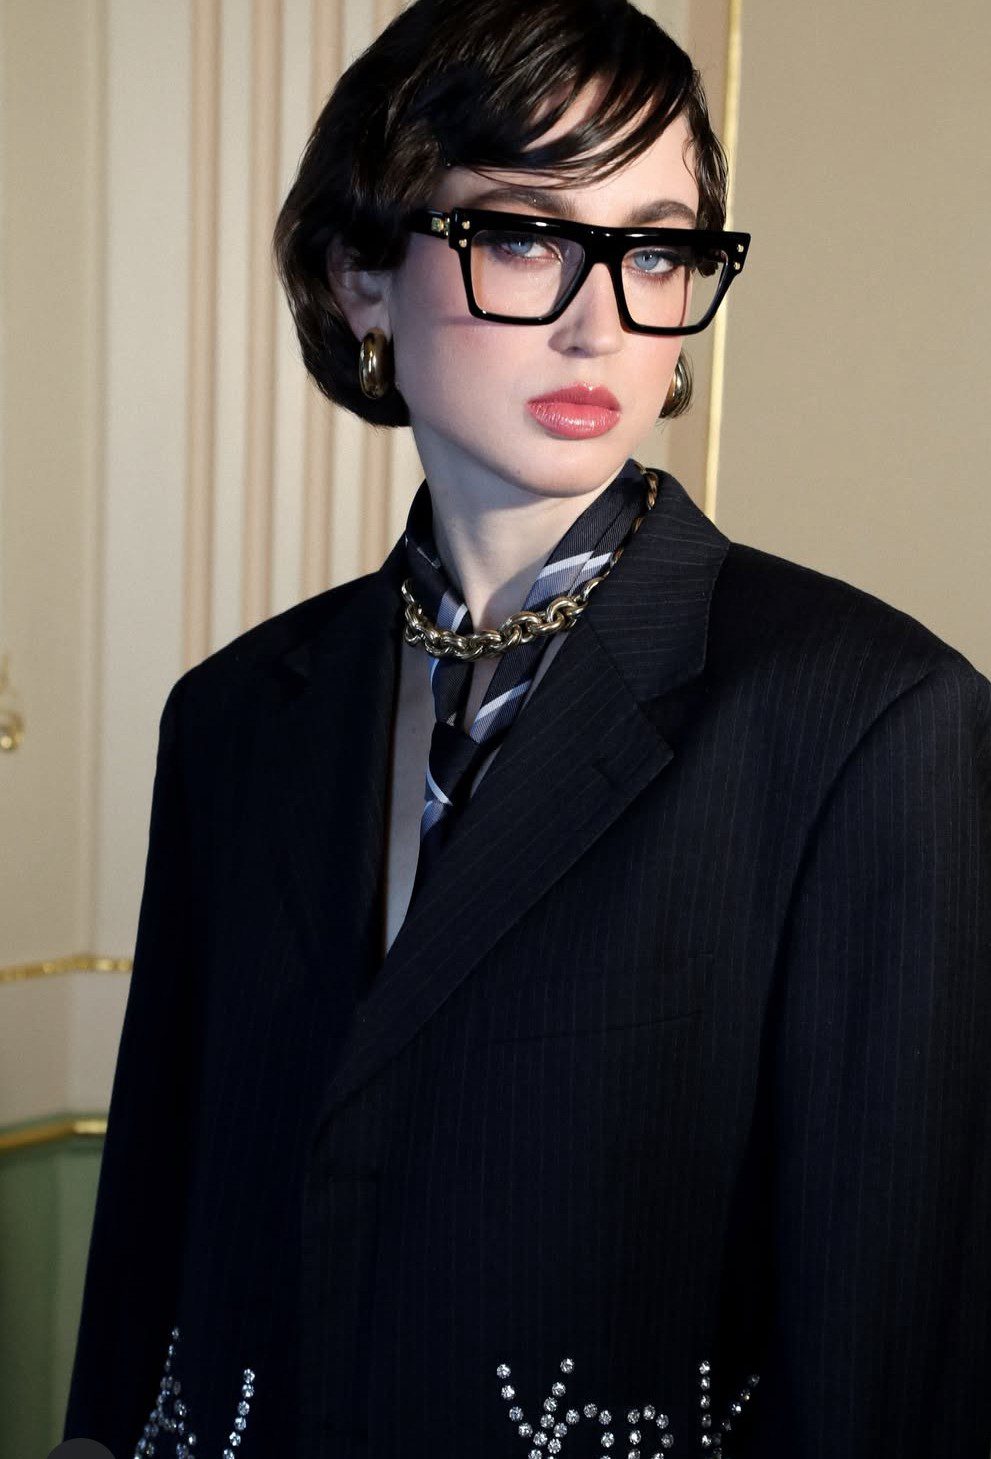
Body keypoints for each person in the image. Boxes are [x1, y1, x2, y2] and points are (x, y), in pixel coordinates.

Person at [63, 0, 990, 1456]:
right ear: (360, 275)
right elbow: (152, 1255)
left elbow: (886, 1361)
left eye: (657, 250)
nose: (599, 318)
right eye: (524, 235)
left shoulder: (875, 723)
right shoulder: (233, 719)